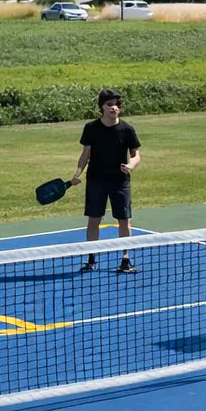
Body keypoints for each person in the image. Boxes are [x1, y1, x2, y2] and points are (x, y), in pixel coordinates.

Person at [71, 88, 141, 273]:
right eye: (109, 104)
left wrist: (131, 165)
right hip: (96, 180)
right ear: (101, 107)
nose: (114, 108)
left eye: (116, 105)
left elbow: (136, 155)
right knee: (94, 219)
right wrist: (77, 173)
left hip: (120, 181)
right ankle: (91, 258)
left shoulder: (127, 129)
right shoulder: (91, 128)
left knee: (123, 219)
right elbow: (86, 154)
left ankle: (125, 259)